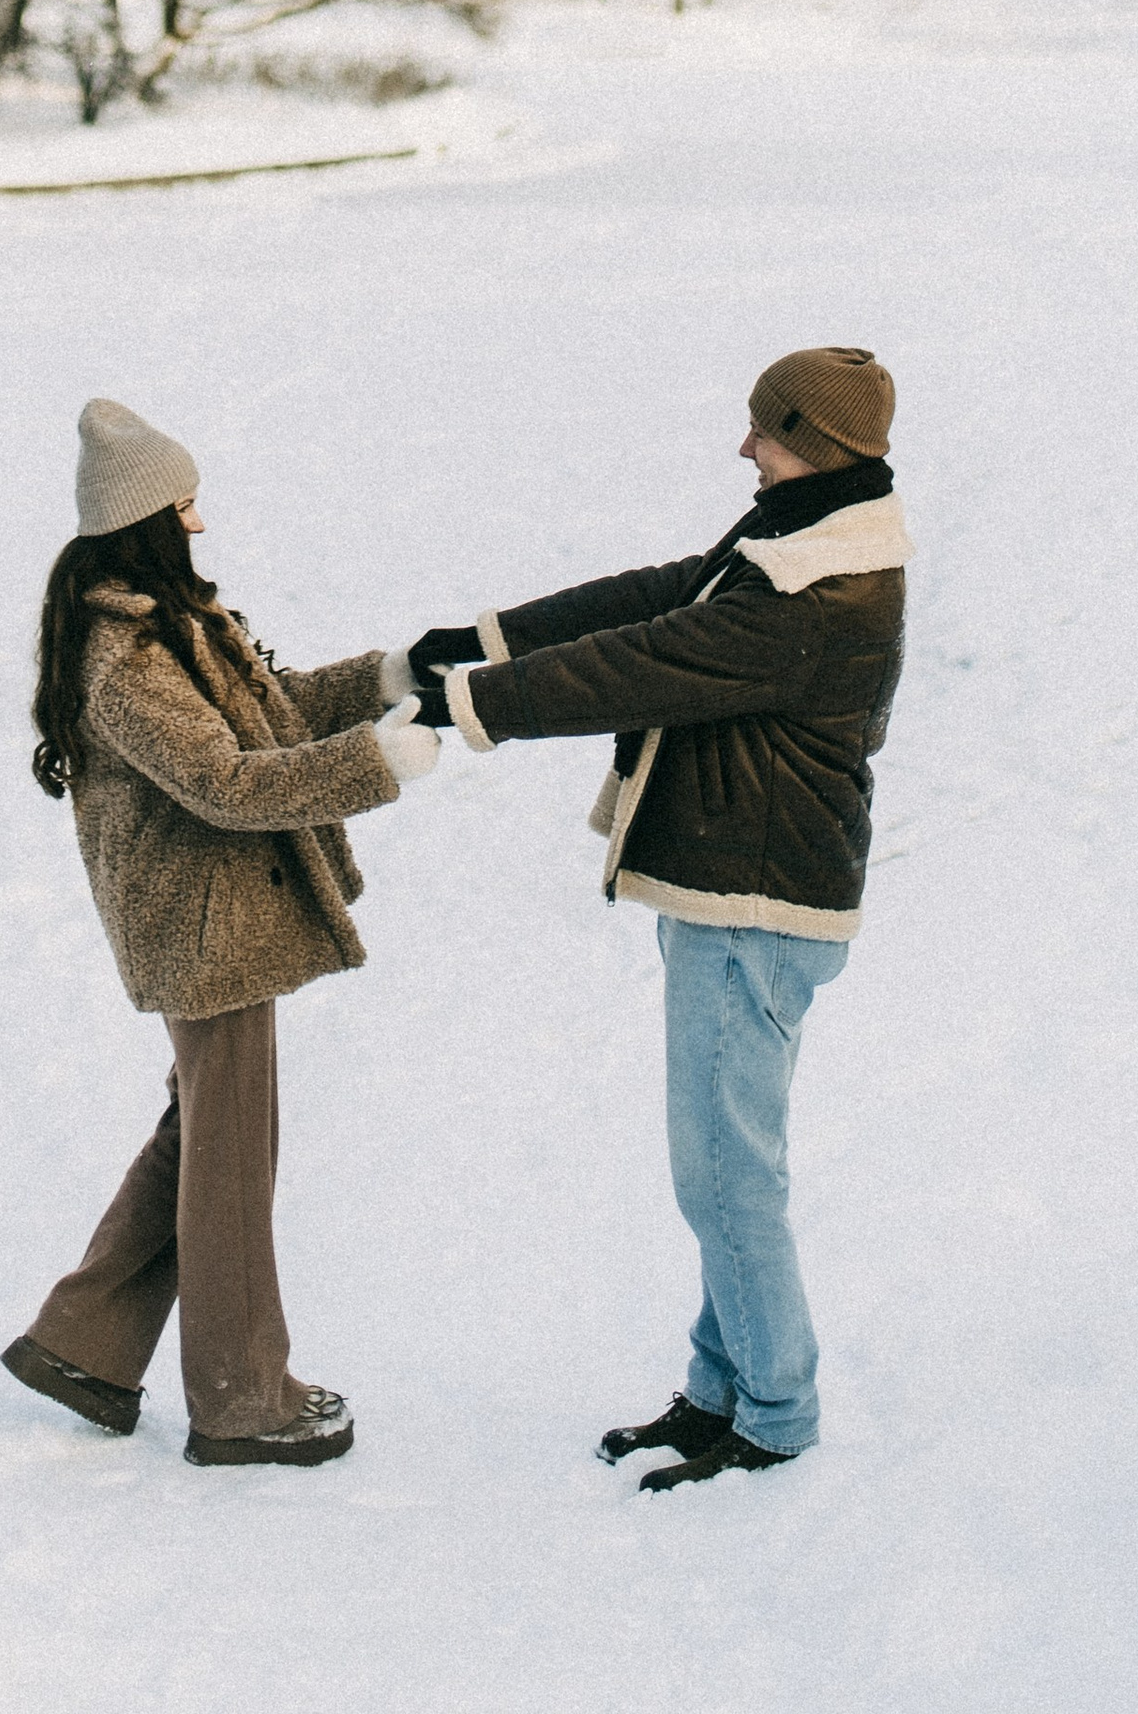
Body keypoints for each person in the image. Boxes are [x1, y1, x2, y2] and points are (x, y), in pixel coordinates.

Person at [404, 343, 908, 1491]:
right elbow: (652, 598)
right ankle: (719, 1391)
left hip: (759, 905)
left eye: (765, 432)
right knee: (724, 1169)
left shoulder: (819, 594)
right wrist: (484, 641)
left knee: (728, 1179)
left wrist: (477, 703)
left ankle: (774, 1416)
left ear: (816, 446)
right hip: (737, 890)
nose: (745, 448)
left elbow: (646, 663)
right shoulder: (791, 541)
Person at [3, 395, 436, 1469]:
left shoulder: (167, 624)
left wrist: (382, 679)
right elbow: (227, 782)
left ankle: (82, 1345)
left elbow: (269, 710)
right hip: (204, 932)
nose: (201, 524)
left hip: (216, 918)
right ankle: (242, 1400)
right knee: (233, 1160)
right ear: (145, 520)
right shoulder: (127, 659)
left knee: (201, 1136)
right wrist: (383, 763)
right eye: (186, 506)